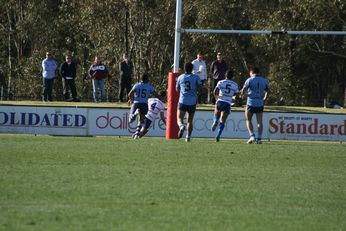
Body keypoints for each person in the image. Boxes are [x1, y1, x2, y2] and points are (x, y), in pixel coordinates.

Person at [240, 66, 269, 144]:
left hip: (251, 103)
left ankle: (252, 136)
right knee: (259, 121)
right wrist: (264, 99)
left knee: (248, 120)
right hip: (260, 103)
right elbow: (267, 92)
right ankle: (259, 139)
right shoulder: (264, 80)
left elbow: (243, 90)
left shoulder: (249, 80)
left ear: (251, 72)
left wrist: (243, 95)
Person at [176, 62, 203, 142]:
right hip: (192, 102)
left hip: (183, 100)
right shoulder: (196, 77)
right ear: (192, 69)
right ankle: (188, 137)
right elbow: (200, 87)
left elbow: (177, 89)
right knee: (190, 120)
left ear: (184, 69)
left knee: (179, 118)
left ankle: (181, 126)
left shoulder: (180, 77)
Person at [211, 70, 239, 142]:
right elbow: (236, 96)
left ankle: (215, 120)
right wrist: (233, 98)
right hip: (227, 103)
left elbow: (215, 91)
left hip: (220, 101)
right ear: (232, 77)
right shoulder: (235, 85)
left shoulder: (221, 82)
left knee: (216, 114)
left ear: (225, 75)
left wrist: (216, 98)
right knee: (223, 121)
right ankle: (218, 135)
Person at [128, 73, 156, 138]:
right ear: (147, 79)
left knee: (131, 120)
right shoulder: (149, 86)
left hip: (136, 103)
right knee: (142, 120)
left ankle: (135, 114)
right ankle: (137, 133)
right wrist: (162, 97)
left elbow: (130, 94)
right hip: (144, 104)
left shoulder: (137, 85)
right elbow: (155, 94)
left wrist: (130, 100)